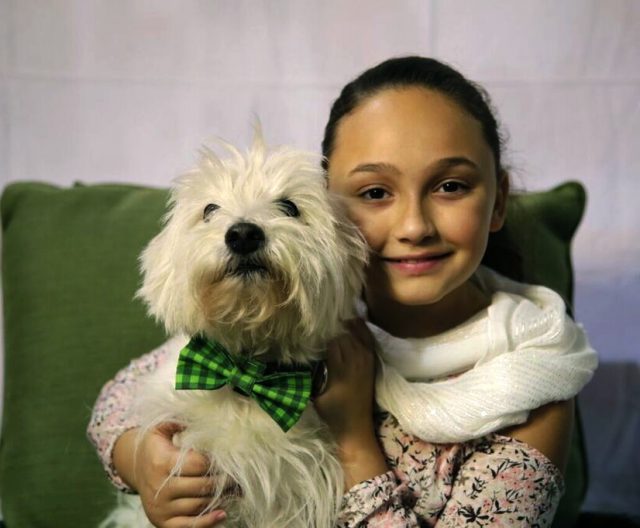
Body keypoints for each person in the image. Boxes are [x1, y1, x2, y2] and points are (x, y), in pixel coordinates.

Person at [88, 56, 597, 527]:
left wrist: (354, 443)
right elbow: (119, 399)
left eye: (450, 186)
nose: (415, 225)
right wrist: (140, 459)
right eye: (375, 193)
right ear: (333, 215)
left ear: (499, 200)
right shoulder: (294, 319)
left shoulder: (532, 386)